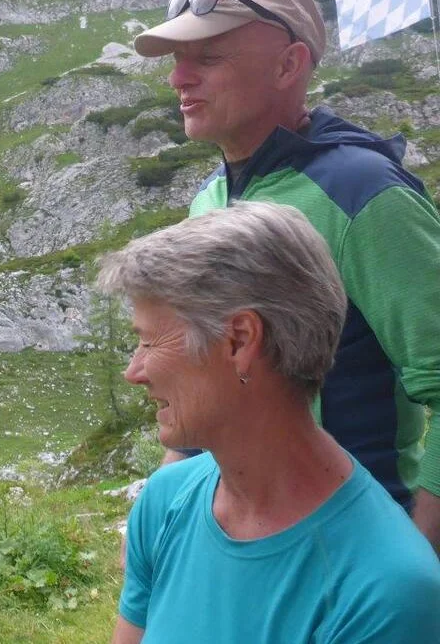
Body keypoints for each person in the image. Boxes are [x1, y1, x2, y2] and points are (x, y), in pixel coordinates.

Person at [132, 0, 440, 551]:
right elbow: (200, 371)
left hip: (350, 543)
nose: (178, 77)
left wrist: (419, 558)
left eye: (209, 57)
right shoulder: (209, 200)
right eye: (176, 59)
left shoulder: (365, 195)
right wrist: (169, 498)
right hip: (235, 535)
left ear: (287, 65)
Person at [99, 201, 440, 644]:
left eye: (150, 341)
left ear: (240, 339)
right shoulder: (165, 502)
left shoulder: (388, 595)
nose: (134, 371)